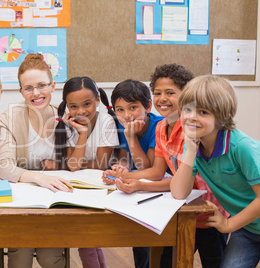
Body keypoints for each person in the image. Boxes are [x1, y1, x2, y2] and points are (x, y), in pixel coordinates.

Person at [103, 64, 228, 268]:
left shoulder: (191, 128)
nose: (163, 98)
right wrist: (124, 178)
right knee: (167, 262)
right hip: (181, 207)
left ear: (187, 96)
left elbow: (173, 180)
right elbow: (159, 172)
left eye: (170, 93)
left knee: (213, 262)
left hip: (209, 209)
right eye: (158, 92)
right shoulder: (161, 127)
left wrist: (138, 184)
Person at [171, 75, 260, 268]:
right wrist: (190, 153)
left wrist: (228, 225)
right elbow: (179, 194)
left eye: (203, 111)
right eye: (187, 109)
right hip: (248, 228)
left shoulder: (242, 148)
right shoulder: (194, 144)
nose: (191, 117)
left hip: (240, 223)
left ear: (223, 117)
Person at [0, 53, 70, 268]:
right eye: (28, 88)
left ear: (53, 85)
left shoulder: (65, 116)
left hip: (56, 201)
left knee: (50, 256)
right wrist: (39, 177)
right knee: (20, 253)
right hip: (22, 202)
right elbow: (4, 167)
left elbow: (78, 163)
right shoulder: (10, 117)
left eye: (41, 85)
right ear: (20, 91)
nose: (36, 93)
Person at [54, 76, 119, 268]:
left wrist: (78, 161)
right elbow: (74, 165)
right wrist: (82, 133)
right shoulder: (67, 124)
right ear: (67, 106)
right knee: (89, 240)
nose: (81, 111)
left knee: (85, 239)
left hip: (101, 187)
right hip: (78, 187)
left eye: (87, 104)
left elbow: (100, 164)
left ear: (98, 100)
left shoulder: (106, 121)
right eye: (73, 106)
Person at [101, 79, 163, 268]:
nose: (126, 115)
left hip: (160, 190)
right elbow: (124, 157)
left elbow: (149, 168)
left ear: (148, 106)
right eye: (120, 110)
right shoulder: (121, 126)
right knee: (140, 241)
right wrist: (119, 168)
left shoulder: (158, 126)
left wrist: (131, 137)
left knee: (156, 248)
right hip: (138, 190)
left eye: (133, 107)